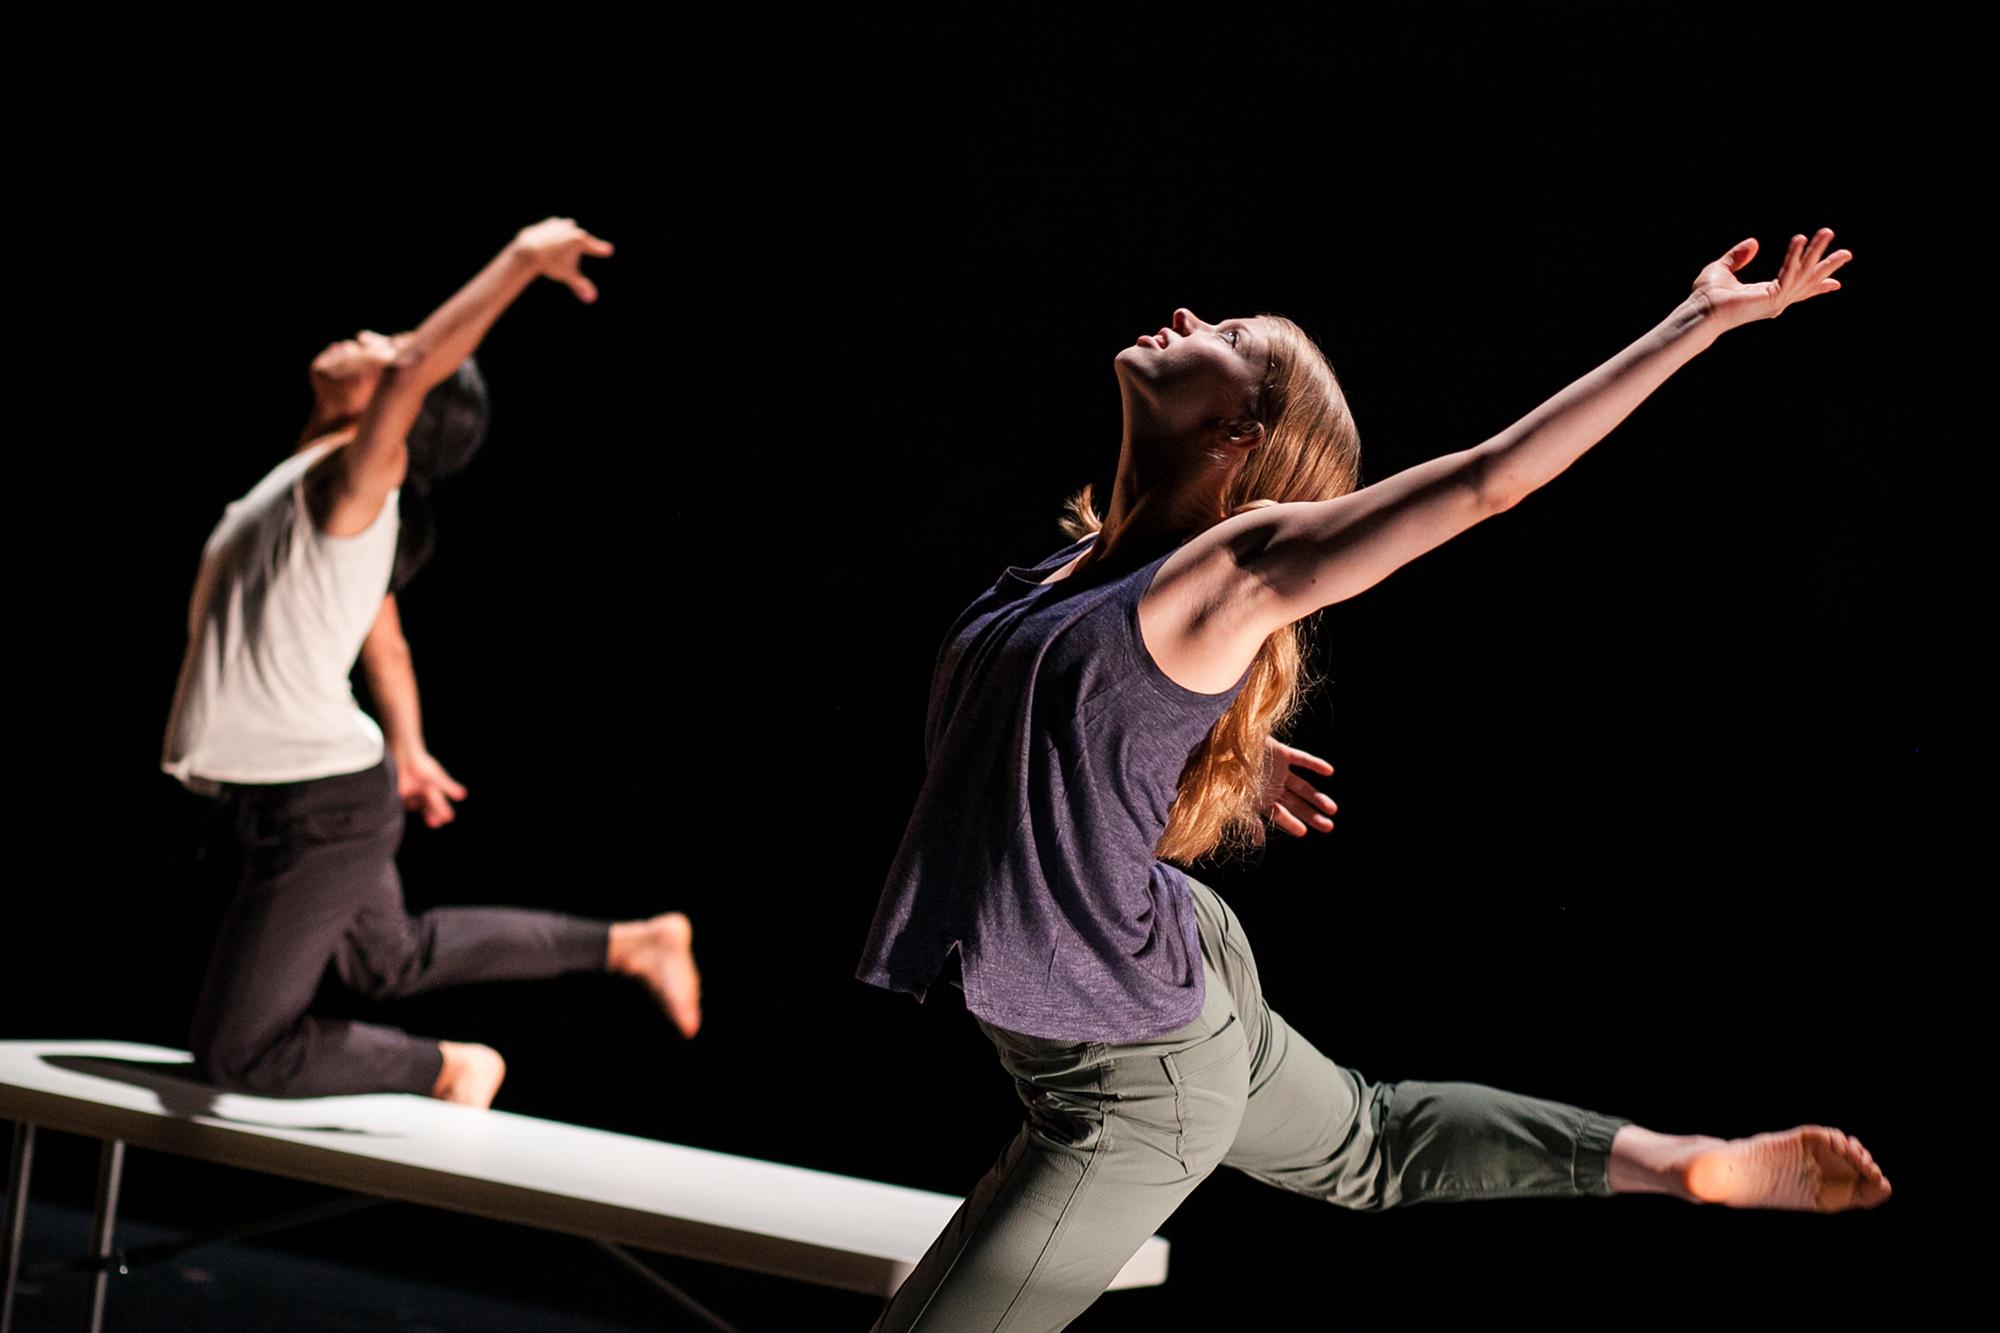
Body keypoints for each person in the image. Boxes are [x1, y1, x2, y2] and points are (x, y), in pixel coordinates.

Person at [857, 228, 1890, 1330]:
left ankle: (1685, 1164)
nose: (1194, 319)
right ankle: (1677, 1160)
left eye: (1231, 336)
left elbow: (1489, 481)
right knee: (1370, 1142)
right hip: (1174, 970)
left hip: (1130, 1078)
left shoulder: (1233, 568)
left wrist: (1696, 320)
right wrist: (1213, 749)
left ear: (1239, 430)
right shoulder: (1084, 564)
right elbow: (1041, 710)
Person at [164, 218, 702, 1107]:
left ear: (402, 421)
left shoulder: (353, 486)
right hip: (327, 785)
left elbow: (417, 365)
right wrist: (409, 749)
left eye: (389, 350)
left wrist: (524, 261)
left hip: (321, 803)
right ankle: (632, 942)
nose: (372, 342)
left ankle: (447, 1067)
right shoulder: (317, 497)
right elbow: (387, 638)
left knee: (239, 1055)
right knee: (391, 956)